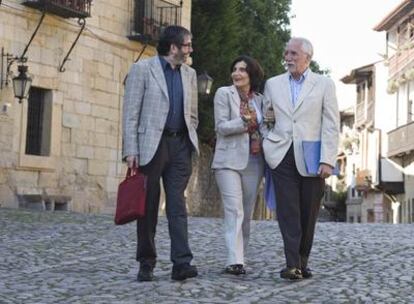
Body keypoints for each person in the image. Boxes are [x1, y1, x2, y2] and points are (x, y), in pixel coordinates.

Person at [122, 25, 199, 282]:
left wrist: (190, 139)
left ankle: (182, 263)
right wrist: (130, 149)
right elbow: (131, 113)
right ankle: (146, 262)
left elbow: (193, 115)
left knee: (178, 205)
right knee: (148, 206)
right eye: (187, 45)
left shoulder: (190, 74)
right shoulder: (142, 70)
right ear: (173, 47)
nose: (190, 49)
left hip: (180, 147)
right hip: (150, 147)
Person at [262, 37, 339, 280]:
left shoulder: (324, 84)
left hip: (312, 157)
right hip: (281, 154)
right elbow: (266, 118)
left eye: (294, 53)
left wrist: (327, 159)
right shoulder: (273, 84)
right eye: (286, 53)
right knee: (288, 211)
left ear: (308, 57)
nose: (288, 58)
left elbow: (331, 124)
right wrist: (268, 141)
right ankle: (291, 264)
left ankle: (303, 261)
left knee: (308, 211)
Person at [211, 55, 266, 275]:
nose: (237, 73)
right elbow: (222, 127)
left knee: (246, 213)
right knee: (234, 209)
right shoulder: (224, 94)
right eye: (234, 69)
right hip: (228, 161)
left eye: (242, 70)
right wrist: (245, 121)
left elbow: (267, 125)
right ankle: (234, 260)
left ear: (252, 74)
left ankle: (241, 255)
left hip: (254, 161)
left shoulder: (261, 100)